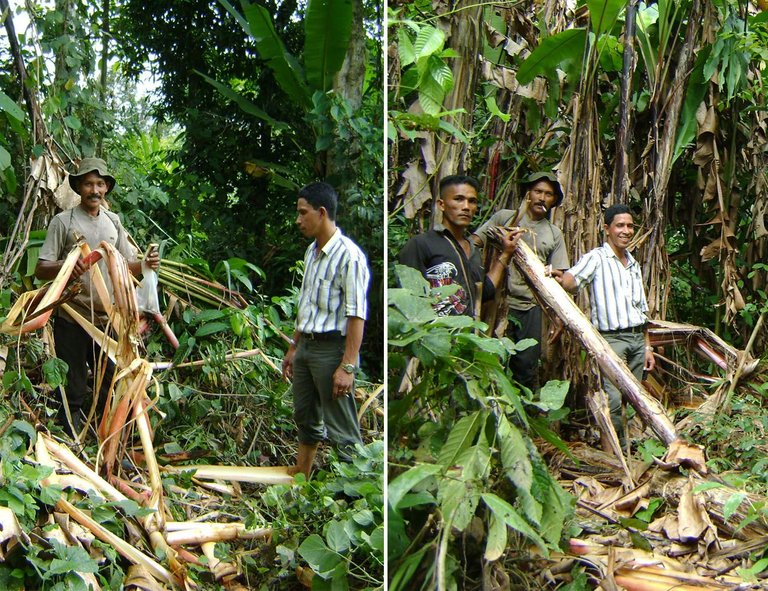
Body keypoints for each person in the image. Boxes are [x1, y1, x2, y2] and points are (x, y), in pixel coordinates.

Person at [35, 157, 160, 435]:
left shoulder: (114, 222)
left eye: (100, 184)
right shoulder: (62, 221)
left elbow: (126, 265)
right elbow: (42, 269)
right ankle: (71, 434)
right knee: (74, 380)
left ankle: (104, 433)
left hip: (107, 317)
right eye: (89, 184)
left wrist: (146, 265)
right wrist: (68, 265)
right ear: (79, 187)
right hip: (73, 314)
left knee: (110, 379)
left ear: (106, 189)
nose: (95, 190)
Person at [281, 182, 370, 479]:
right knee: (305, 415)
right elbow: (306, 302)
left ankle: (358, 494)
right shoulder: (311, 251)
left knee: (341, 426)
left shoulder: (350, 256)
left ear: (321, 213)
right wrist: (294, 346)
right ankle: (301, 476)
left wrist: (347, 365)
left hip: (332, 350)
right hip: (307, 345)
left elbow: (356, 315)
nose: (298, 220)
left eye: (302, 213)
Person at [552, 203, 655, 441]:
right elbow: (573, 280)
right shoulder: (597, 258)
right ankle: (614, 451)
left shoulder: (633, 263)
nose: (626, 231)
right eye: (620, 225)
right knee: (614, 400)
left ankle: (626, 446)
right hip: (612, 340)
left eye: (630, 226)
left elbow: (642, 310)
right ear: (607, 229)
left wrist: (648, 346)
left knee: (634, 398)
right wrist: (559, 277)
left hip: (637, 339)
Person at [472, 172, 570, 390]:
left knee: (525, 366)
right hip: (497, 303)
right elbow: (473, 242)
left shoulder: (554, 233)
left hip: (531, 307)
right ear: (528, 193)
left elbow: (560, 274)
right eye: (538, 191)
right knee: (490, 361)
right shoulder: (505, 218)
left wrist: (555, 280)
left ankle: (521, 417)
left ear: (554, 200)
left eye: (548, 194)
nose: (542, 198)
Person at [398, 175, 518, 317]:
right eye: (458, 199)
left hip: (467, 336)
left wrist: (505, 254)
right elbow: (408, 300)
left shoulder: (473, 250)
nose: (466, 207)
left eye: (472, 201)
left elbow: (483, 293)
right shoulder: (421, 244)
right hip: (434, 334)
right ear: (441, 204)